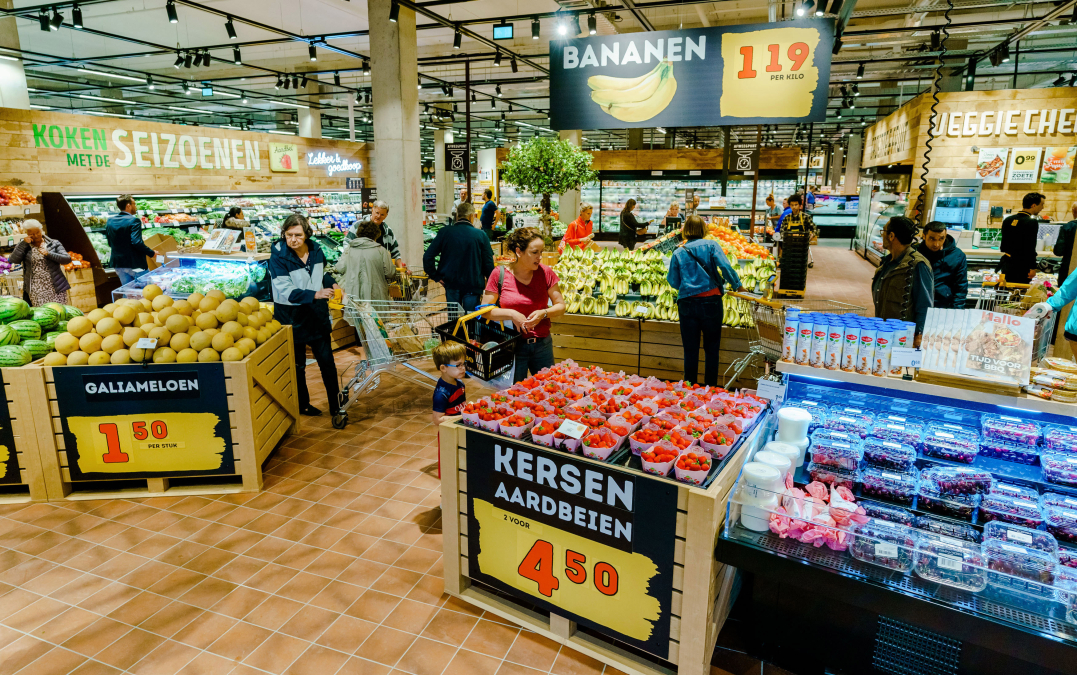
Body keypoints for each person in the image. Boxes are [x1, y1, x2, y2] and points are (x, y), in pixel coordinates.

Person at [270, 214, 342, 418]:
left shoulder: (316, 250)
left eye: (298, 235)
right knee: (298, 365)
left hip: (316, 315)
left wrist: (332, 283)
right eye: (289, 234)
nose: (293, 239)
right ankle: (303, 404)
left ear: (307, 234)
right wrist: (316, 294)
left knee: (327, 362)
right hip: (291, 317)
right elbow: (285, 290)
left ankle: (336, 404)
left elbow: (321, 273)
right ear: (284, 234)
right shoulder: (278, 257)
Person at [667, 215, 744, 386]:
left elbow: (673, 281)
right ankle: (710, 388)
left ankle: (690, 386)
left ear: (686, 230)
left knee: (690, 349)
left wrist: (687, 287)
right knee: (711, 348)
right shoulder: (711, 245)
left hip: (687, 304)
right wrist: (737, 285)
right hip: (711, 302)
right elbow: (725, 267)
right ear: (703, 229)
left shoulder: (678, 252)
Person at [482, 227, 567, 382]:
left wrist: (544, 313)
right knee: (513, 395)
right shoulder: (499, 274)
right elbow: (485, 311)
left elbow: (561, 305)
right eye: (534, 252)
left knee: (547, 391)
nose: (539, 257)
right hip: (512, 347)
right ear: (519, 251)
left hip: (542, 345)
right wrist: (511, 313)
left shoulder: (546, 273)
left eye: (541, 252)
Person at [423, 201, 495, 314]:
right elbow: (488, 264)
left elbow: (427, 257)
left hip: (451, 284)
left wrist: (436, 276)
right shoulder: (481, 235)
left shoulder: (445, 232)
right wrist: (492, 286)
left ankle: (455, 332)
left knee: (453, 322)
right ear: (472, 216)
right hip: (473, 285)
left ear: (457, 215)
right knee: (471, 322)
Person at [872, 216, 934, 343]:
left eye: (884, 231)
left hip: (903, 338)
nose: (882, 235)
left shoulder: (918, 264)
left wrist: (919, 335)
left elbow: (925, 305)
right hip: (884, 334)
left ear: (891, 236)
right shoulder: (887, 263)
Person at [8, 220, 71, 305]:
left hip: (55, 286)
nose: (36, 235)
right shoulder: (24, 246)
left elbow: (67, 259)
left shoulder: (53, 243)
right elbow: (13, 260)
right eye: (32, 234)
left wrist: (49, 254)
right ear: (27, 233)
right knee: (42, 313)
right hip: (36, 288)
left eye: (37, 232)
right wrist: (23, 244)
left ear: (41, 230)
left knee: (60, 310)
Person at [336, 218, 396, 303]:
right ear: (376, 235)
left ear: (359, 234)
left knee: (355, 316)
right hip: (376, 297)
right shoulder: (381, 250)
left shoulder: (349, 249)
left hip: (353, 296)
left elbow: (340, 268)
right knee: (376, 316)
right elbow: (390, 273)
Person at [105, 194, 155, 285]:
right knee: (148, 289)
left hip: (118, 264)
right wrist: (152, 253)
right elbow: (137, 242)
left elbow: (109, 242)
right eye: (134, 204)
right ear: (128, 205)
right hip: (134, 264)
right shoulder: (134, 221)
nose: (135, 206)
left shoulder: (110, 221)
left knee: (128, 291)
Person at [917, 221, 968, 309]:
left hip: (944, 306)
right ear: (924, 236)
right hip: (917, 305)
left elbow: (961, 287)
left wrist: (957, 311)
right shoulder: (915, 253)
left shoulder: (957, 255)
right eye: (932, 239)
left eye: (941, 238)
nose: (936, 244)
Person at [1000, 192, 1045, 282]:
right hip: (1021, 266)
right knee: (1019, 293)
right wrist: (1032, 267)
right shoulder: (1031, 222)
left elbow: (1003, 246)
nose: (1042, 208)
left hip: (1006, 263)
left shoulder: (1008, 219)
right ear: (1033, 205)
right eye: (1042, 204)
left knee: (1003, 291)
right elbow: (1030, 246)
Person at [347, 200, 401, 265]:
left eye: (382, 214)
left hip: (381, 271)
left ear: (386, 215)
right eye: (377, 213)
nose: (378, 216)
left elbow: (395, 253)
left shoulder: (387, 231)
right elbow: (347, 245)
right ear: (372, 210)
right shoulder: (357, 226)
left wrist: (402, 271)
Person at [431, 341, 467, 425]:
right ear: (443, 368)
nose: (463, 368)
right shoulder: (441, 394)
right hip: (449, 433)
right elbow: (437, 420)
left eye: (463, 364)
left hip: (459, 427)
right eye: (458, 365)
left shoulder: (459, 383)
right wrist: (464, 416)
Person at [1053, 202, 1077, 287]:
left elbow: (1058, 251)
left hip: (1068, 268)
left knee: (1065, 296)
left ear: (1073, 211)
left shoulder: (1068, 227)